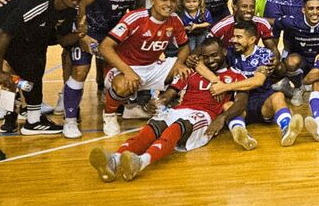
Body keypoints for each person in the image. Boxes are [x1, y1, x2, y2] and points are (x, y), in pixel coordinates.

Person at [89, 38, 248, 182]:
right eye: (205, 57)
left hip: (205, 115)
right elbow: (169, 94)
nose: (211, 60)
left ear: (224, 52)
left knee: (177, 126)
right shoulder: (191, 72)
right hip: (180, 109)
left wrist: (222, 118)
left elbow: (241, 103)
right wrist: (155, 103)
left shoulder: (235, 76)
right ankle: (114, 160)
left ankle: (142, 161)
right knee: (153, 127)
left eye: (214, 55)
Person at [0, 0, 87, 162]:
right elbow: (2, 35)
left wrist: (81, 33)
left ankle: (33, 120)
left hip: (13, 38)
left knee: (34, 66)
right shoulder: (39, 4)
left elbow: (60, 39)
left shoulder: (68, 11)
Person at [50, 0, 127, 137]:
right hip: (80, 20)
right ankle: (70, 118)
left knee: (111, 66)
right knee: (80, 68)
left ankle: (110, 112)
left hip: (111, 21)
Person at [72, 0, 152, 133]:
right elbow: (82, 4)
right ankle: (71, 115)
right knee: (80, 70)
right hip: (92, 29)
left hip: (115, 32)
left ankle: (119, 107)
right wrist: (82, 33)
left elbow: (137, 10)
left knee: (122, 70)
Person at [98, 0, 192, 136]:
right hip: (124, 67)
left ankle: (161, 103)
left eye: (173, 1)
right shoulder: (136, 18)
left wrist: (180, 63)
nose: (169, 4)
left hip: (151, 66)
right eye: (164, 0)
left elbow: (185, 47)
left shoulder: (174, 19)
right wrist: (127, 71)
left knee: (187, 69)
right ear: (152, 0)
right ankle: (109, 115)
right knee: (122, 85)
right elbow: (105, 47)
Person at [225, 20, 302, 147]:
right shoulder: (229, 52)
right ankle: (243, 135)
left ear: (252, 40)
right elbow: (202, 62)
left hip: (263, 102)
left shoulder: (264, 54)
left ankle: (287, 129)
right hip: (240, 103)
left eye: (239, 37)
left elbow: (257, 81)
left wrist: (225, 87)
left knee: (278, 96)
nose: (234, 40)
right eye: (234, 36)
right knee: (227, 105)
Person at [208, 0, 277, 54]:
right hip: (227, 61)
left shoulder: (262, 23)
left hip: (250, 58)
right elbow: (206, 46)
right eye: (244, 6)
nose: (249, 10)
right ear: (235, 7)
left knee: (279, 67)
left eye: (252, 7)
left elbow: (273, 49)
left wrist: (274, 62)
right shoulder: (222, 26)